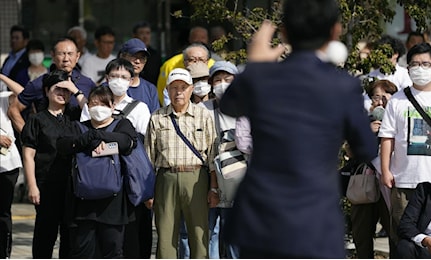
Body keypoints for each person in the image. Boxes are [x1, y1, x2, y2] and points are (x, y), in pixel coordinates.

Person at [218, 0, 378, 257]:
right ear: (335, 31)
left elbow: (228, 104)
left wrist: (255, 64)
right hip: (315, 216)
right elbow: (367, 148)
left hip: (260, 216)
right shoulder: (341, 86)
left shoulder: (263, 78)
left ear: (284, 33)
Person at [378, 42, 431, 256]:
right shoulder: (397, 100)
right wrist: (385, 171)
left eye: (425, 63)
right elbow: (387, 136)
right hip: (403, 180)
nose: (419, 68)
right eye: (414, 64)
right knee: (402, 239)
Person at [79, 58, 152, 258]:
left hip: (128, 180)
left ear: (131, 80)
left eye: (123, 77)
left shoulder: (140, 108)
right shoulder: (94, 103)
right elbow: (85, 136)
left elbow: (145, 146)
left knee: (129, 238)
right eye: (114, 76)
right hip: (96, 176)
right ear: (106, 78)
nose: (118, 80)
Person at [144, 68, 218, 258]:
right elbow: (148, 159)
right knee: (166, 237)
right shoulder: (157, 117)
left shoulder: (203, 116)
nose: (179, 92)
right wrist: (148, 191)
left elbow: (212, 155)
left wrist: (214, 188)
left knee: (199, 234)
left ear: (191, 89)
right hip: (166, 178)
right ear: (167, 90)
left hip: (197, 178)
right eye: (174, 87)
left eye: (183, 88)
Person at [57, 86, 137, 258]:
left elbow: (127, 143)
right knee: (82, 251)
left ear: (112, 106)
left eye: (103, 104)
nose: (98, 108)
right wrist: (88, 138)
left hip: (113, 204)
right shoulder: (77, 127)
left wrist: (99, 137)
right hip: (82, 204)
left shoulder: (122, 124)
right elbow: (63, 145)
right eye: (93, 103)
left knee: (113, 250)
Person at [21, 69, 87, 258]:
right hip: (46, 185)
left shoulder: (75, 115)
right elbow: (28, 154)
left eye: (66, 90)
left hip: (73, 186)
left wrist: (75, 90)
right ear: (46, 91)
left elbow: (94, 114)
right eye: (58, 89)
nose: (63, 94)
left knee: (70, 235)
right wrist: (32, 185)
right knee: (45, 234)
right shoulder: (37, 120)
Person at [7, 37, 96, 133]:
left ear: (77, 56)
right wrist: (29, 138)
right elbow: (13, 110)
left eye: (70, 54)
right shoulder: (39, 83)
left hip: (80, 142)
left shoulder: (87, 83)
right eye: (61, 54)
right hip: (48, 143)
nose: (66, 59)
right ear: (52, 55)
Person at [350, 79, 397, 258]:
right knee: (362, 234)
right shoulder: (361, 121)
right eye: (376, 97)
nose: (381, 102)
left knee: (394, 230)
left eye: (386, 97)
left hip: (389, 182)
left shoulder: (398, 120)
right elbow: (350, 150)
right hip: (365, 182)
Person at [201, 60, 240, 259]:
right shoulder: (203, 109)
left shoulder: (247, 106)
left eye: (227, 79)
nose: (222, 83)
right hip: (210, 176)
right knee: (211, 231)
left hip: (237, 177)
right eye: (217, 80)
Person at [156, 26, 215, 106]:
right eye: (192, 60)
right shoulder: (170, 65)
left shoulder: (214, 66)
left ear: (207, 61)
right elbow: (162, 92)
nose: (197, 63)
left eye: (201, 60)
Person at [0, 91, 23, 259]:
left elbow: (24, 92)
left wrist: (2, 76)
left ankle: (4, 253)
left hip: (6, 165)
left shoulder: (3, 98)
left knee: (3, 212)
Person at [119, 38, 160, 113]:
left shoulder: (150, 89)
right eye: (133, 56)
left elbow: (154, 118)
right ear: (122, 57)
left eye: (142, 58)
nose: (137, 61)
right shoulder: (110, 87)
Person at [132, 21, 162, 85]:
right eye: (141, 33)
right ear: (135, 35)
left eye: (148, 33)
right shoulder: (128, 53)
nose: (145, 36)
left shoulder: (156, 55)